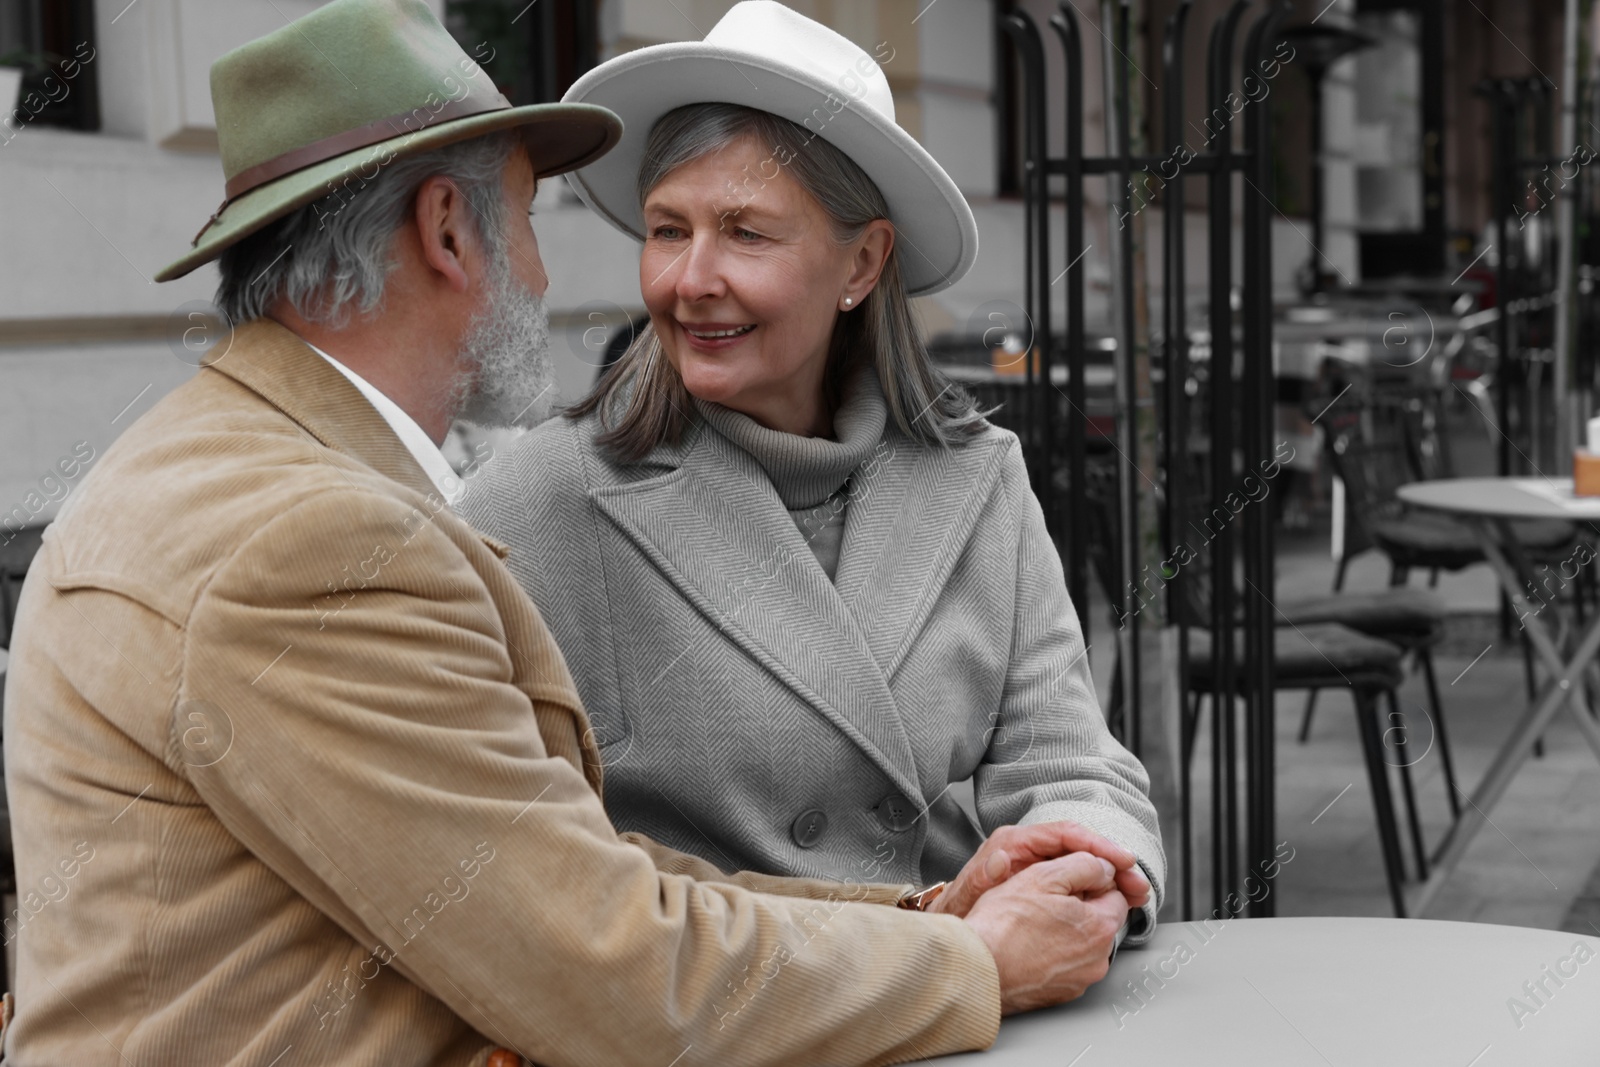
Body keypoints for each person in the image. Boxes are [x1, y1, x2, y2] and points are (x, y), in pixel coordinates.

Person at [1, 2, 1146, 1064]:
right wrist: (971, 953)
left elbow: (564, 878)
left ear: (863, 263)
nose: (550, 275)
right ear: (449, 232)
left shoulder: (250, 481)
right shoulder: (318, 537)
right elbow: (599, 952)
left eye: (745, 230)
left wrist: (950, 908)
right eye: (527, 217)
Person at [461, 0, 1165, 949]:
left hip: (975, 1004)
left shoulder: (977, 478)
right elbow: (526, 864)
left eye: (746, 233)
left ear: (863, 261)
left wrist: (1079, 875)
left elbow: (1070, 759)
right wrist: (941, 937)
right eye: (669, 230)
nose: (688, 279)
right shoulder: (542, 501)